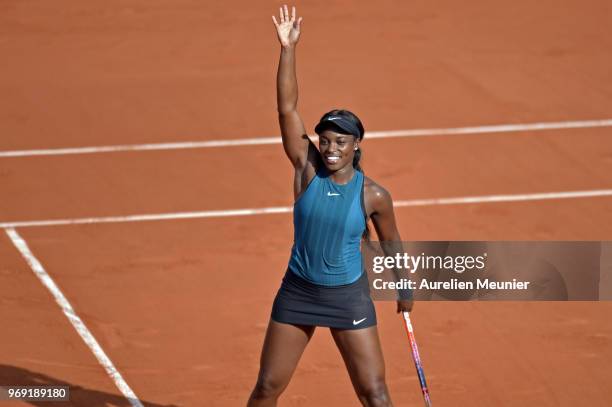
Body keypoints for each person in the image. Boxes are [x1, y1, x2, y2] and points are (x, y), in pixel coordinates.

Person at [247, 5, 412, 406]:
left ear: (357, 146)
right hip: (298, 292)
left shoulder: (373, 194)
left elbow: (392, 243)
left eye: (341, 141)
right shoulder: (306, 168)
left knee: (375, 393)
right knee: (268, 387)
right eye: (325, 139)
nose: (331, 147)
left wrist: (404, 285)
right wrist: (288, 49)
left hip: (347, 298)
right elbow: (287, 109)